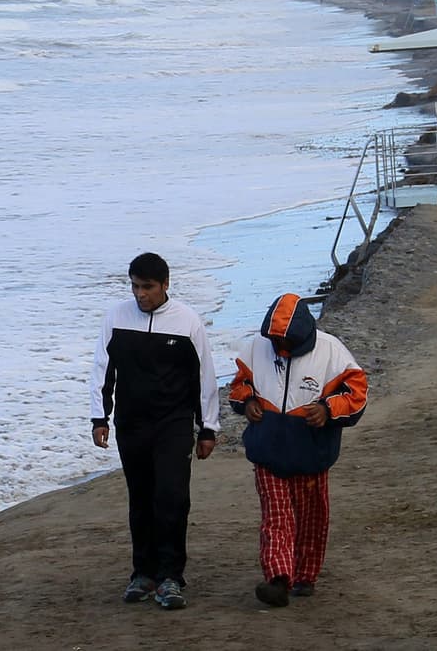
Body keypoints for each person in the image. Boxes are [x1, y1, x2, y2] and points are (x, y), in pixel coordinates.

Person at [89, 252, 219, 610]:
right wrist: (99, 418)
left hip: (173, 424)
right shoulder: (116, 317)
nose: (139, 294)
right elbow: (103, 369)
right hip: (131, 423)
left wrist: (207, 428)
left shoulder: (187, 321)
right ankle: (142, 573)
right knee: (141, 499)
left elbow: (204, 376)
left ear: (165, 284)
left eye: (146, 287)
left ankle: (171, 577)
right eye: (134, 286)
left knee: (172, 498)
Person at [228, 293, 367, 608]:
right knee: (276, 518)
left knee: (311, 518)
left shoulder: (332, 352)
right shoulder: (254, 348)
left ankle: (304, 577)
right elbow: (238, 385)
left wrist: (328, 410)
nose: (281, 348)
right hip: (267, 453)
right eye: (276, 342)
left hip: (311, 456)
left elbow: (356, 394)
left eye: (286, 342)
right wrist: (247, 401)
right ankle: (278, 578)